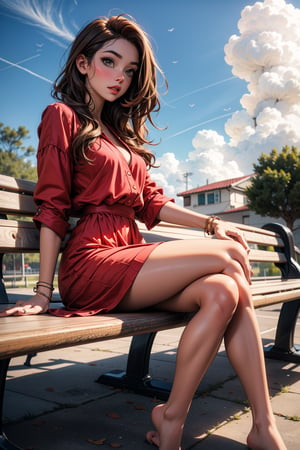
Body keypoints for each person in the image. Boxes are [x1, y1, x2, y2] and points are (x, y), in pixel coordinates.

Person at [0, 15, 287, 450]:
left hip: (128, 254)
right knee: (228, 258)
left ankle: (180, 418)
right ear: (83, 64)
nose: (119, 77)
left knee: (223, 291)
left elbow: (153, 204)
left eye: (129, 70)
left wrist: (211, 222)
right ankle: (261, 429)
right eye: (109, 62)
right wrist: (42, 291)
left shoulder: (123, 138)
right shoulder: (60, 116)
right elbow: (53, 204)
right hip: (90, 263)